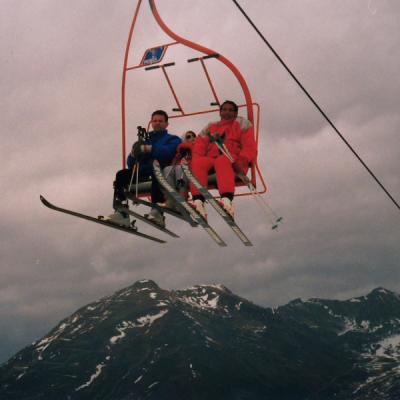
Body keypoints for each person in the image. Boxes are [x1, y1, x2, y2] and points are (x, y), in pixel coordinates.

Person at [106, 110, 181, 228]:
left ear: (166, 124)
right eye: (154, 121)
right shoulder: (145, 139)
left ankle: (157, 212)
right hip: (142, 170)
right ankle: (121, 211)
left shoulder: (172, 139)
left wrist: (149, 148)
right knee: (121, 175)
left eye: (160, 121)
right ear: (151, 122)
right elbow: (131, 164)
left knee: (156, 169)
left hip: (160, 170)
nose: (157, 123)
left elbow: (167, 153)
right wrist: (133, 153)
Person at [190, 100, 257, 219]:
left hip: (233, 159)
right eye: (224, 109)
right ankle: (198, 201)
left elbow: (249, 145)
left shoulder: (242, 124)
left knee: (222, 160)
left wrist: (243, 159)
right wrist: (198, 157)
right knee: (198, 162)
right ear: (220, 112)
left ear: (236, 113)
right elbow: (200, 144)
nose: (227, 112)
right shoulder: (211, 126)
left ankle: (227, 199)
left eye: (231, 110)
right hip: (212, 159)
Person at [163, 130, 196, 202]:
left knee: (179, 168)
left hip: (192, 169)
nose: (192, 138)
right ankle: (170, 198)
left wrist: (186, 146)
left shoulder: (198, 147)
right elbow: (174, 162)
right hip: (180, 171)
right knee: (167, 169)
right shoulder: (180, 152)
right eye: (188, 137)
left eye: (194, 136)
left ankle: (183, 196)